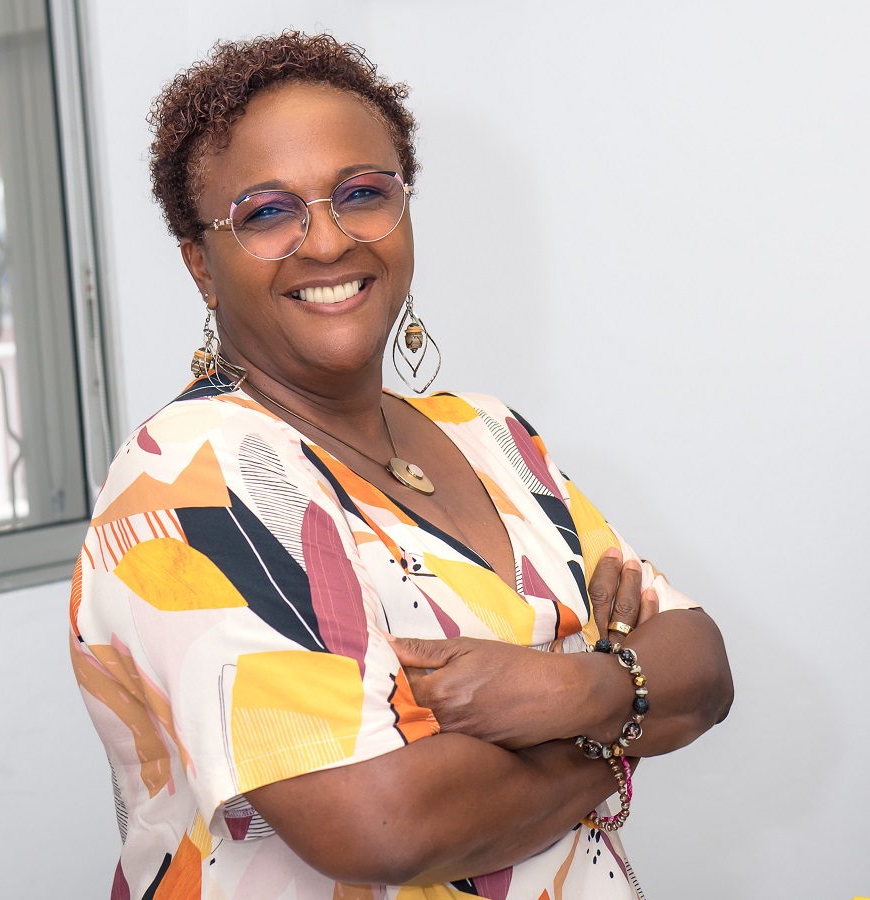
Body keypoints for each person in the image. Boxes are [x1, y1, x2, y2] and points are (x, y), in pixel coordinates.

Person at [69, 31, 733, 899]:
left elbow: (702, 667)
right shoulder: (190, 475)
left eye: (361, 194)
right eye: (267, 213)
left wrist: (560, 689)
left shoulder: (493, 436)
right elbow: (382, 823)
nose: (326, 241)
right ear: (202, 266)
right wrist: (618, 727)